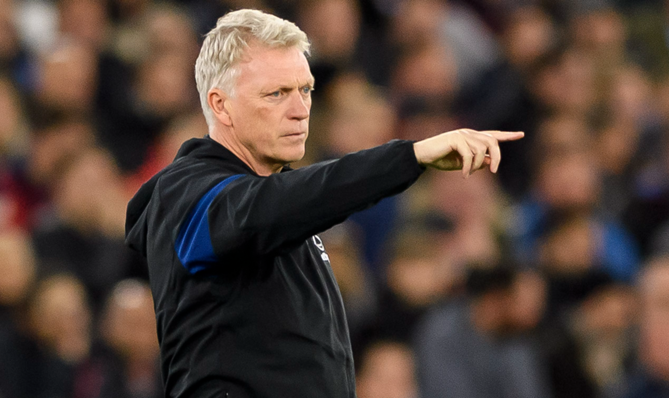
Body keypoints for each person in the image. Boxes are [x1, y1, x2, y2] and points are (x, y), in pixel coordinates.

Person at [124, 9, 523, 398]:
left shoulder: (283, 204)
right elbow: (266, 209)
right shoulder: (184, 194)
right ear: (220, 104)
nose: (300, 111)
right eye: (276, 93)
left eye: (305, 90)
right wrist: (408, 157)